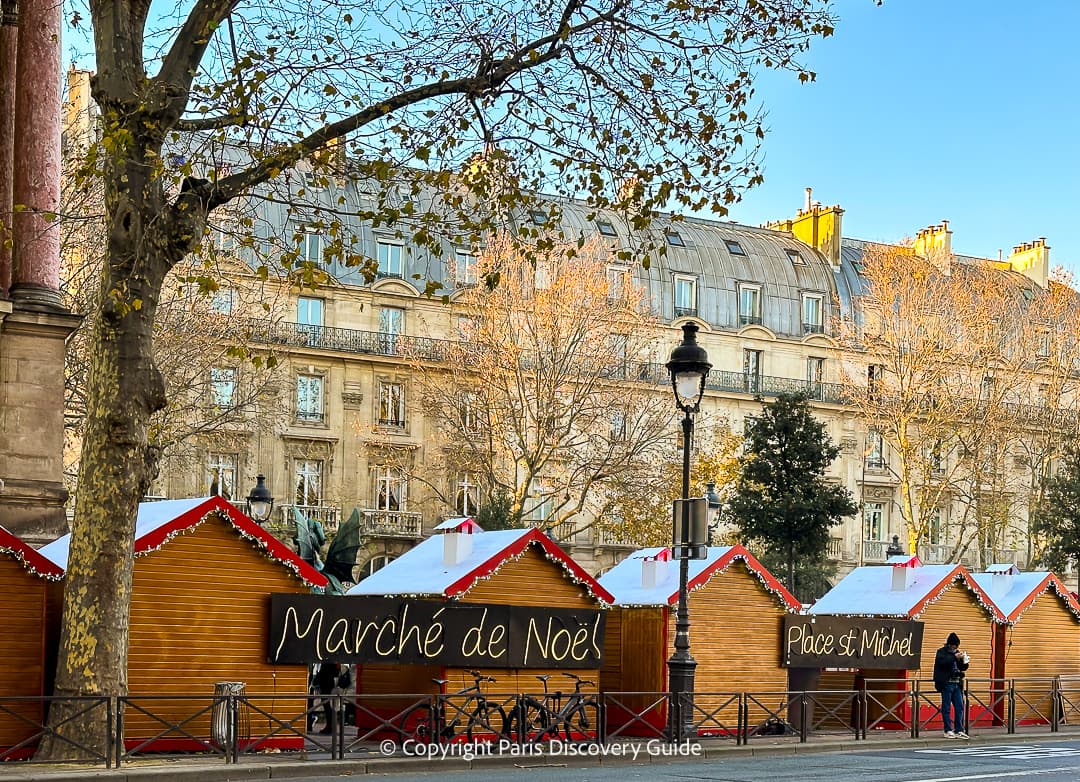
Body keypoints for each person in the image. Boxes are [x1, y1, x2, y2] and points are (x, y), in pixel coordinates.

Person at [933, 632, 970, 738]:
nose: (955, 648)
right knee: (946, 707)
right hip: (946, 683)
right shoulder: (941, 652)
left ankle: (959, 729)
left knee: (959, 706)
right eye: (954, 646)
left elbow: (962, 668)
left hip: (957, 683)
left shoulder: (957, 653)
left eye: (957, 646)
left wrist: (964, 661)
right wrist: (954, 657)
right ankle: (947, 729)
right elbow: (943, 663)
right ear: (949, 644)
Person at [313, 661, 341, 735]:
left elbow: (325, 672)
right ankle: (330, 726)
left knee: (327, 706)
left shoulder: (328, 660)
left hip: (327, 684)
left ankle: (330, 726)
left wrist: (317, 679)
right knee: (328, 706)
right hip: (329, 684)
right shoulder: (332, 660)